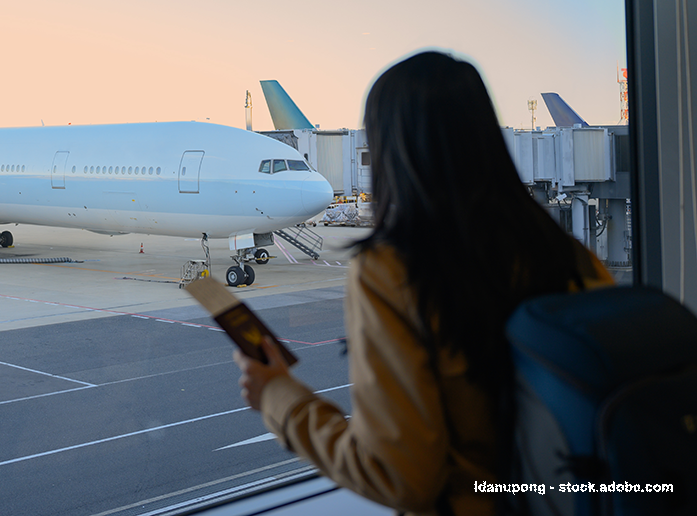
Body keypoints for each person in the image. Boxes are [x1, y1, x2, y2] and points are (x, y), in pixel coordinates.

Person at [235, 51, 613, 516]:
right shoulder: (572, 256)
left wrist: (278, 397)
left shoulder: (392, 272)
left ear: (390, 150)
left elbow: (399, 476)